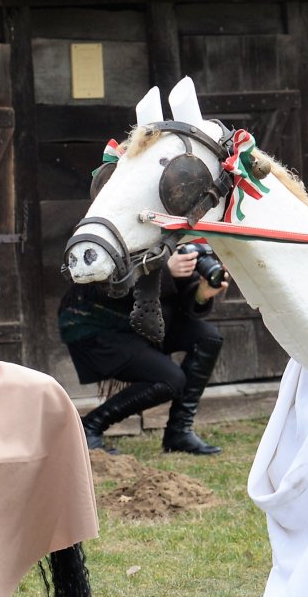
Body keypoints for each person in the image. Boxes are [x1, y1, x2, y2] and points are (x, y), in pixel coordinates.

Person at [60, 152, 230, 456]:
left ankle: (179, 432)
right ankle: (89, 428)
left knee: (207, 337)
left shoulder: (183, 223)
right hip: (96, 323)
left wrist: (202, 293)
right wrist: (167, 270)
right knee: (170, 379)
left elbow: (182, 307)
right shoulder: (120, 216)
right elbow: (102, 283)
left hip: (142, 320)